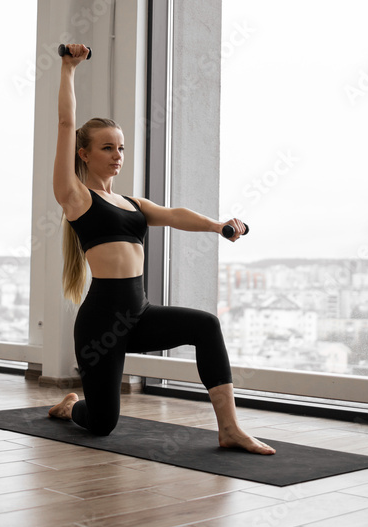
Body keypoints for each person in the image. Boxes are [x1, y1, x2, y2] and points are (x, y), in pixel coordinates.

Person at [47, 43, 275, 455]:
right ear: (84, 153)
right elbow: (66, 124)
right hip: (101, 325)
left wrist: (217, 225)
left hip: (139, 314)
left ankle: (230, 428)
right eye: (107, 148)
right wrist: (68, 69)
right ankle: (70, 406)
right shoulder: (76, 197)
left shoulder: (132, 205)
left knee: (206, 325)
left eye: (120, 148)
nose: (117, 155)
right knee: (102, 425)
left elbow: (173, 214)